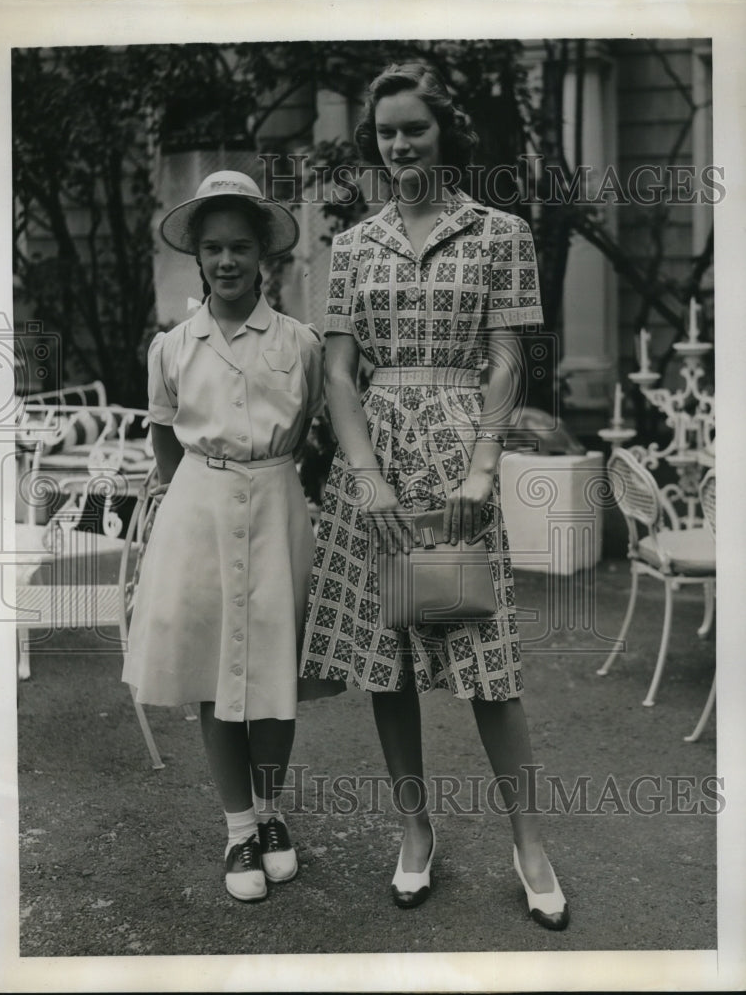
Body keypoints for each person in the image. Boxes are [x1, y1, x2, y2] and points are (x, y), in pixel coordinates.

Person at [299, 63, 569, 929]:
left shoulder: (499, 232)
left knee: (489, 661)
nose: (400, 144)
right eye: (386, 132)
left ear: (444, 131)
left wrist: (484, 465)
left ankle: (529, 844)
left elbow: (508, 358)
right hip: (374, 462)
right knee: (388, 661)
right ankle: (415, 830)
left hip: (460, 455)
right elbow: (338, 372)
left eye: (414, 128)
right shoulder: (354, 245)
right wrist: (367, 477)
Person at [122, 171, 324, 903]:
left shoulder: (299, 342)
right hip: (199, 512)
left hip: (275, 506)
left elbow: (312, 433)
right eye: (213, 248)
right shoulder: (174, 347)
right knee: (217, 671)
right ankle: (238, 825)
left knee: (272, 671)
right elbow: (165, 441)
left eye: (240, 246)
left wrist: (286, 487)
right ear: (197, 256)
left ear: (263, 252)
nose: (227, 261)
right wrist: (191, 502)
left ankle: (270, 814)